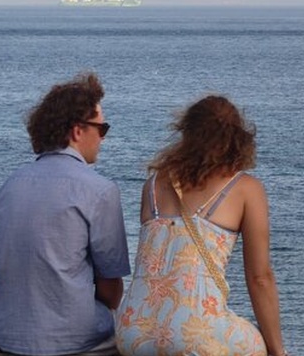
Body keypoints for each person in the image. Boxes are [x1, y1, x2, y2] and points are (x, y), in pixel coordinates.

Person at [115, 95, 286, 356]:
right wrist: (278, 350)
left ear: (186, 133)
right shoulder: (245, 189)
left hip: (132, 330)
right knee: (255, 345)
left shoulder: (153, 185)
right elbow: (260, 278)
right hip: (192, 334)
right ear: (237, 138)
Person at [0, 72, 131, 356]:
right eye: (102, 129)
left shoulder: (10, 185)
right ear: (78, 130)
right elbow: (110, 289)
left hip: (5, 331)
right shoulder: (99, 190)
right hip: (72, 338)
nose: (102, 138)